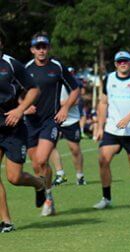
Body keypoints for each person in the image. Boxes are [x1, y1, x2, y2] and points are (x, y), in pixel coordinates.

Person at [24, 33, 80, 216]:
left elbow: (75, 89)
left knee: (41, 159)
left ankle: (46, 195)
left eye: (44, 46)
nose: (41, 50)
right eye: (37, 47)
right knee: (36, 165)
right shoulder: (25, 68)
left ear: (48, 48)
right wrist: (24, 107)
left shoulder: (57, 67)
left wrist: (65, 109)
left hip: (51, 121)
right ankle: (48, 195)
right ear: (32, 49)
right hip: (31, 123)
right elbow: (16, 91)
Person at [93, 51, 130, 210]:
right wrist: (100, 126)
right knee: (103, 160)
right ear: (116, 64)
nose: (123, 64)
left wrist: (128, 118)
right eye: (119, 61)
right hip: (112, 129)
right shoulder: (109, 78)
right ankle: (106, 198)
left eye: (126, 61)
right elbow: (103, 103)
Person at [0, 44, 45, 232]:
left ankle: (39, 183)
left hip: (13, 128)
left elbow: (34, 89)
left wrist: (20, 110)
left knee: (14, 178)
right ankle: (6, 221)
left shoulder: (11, 64)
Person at [50, 68, 87, 186]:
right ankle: (60, 174)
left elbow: (76, 100)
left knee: (74, 149)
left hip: (70, 120)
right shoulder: (49, 82)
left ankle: (80, 176)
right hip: (53, 119)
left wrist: (59, 104)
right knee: (50, 146)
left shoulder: (70, 82)